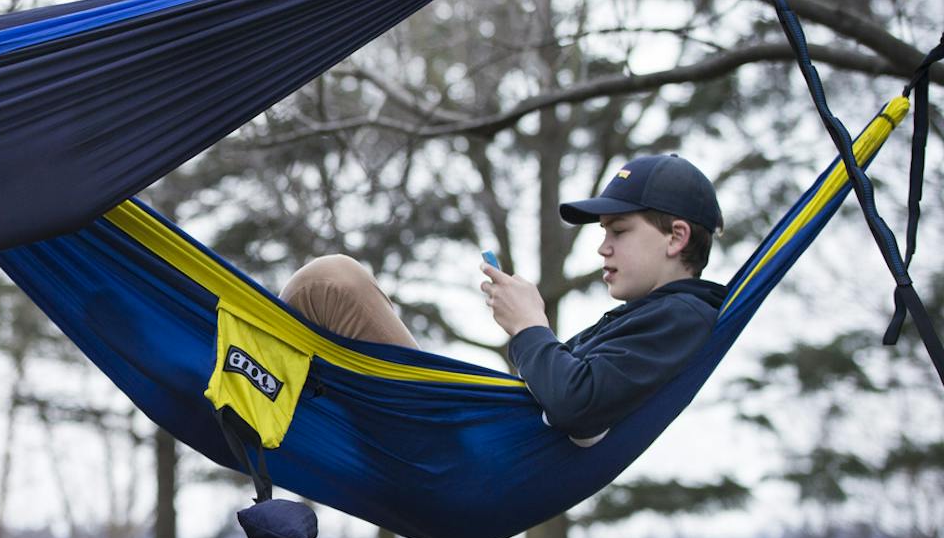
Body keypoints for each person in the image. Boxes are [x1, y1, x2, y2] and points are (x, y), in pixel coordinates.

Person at [283, 153, 725, 445]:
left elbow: (575, 404)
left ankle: (247, 399)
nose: (603, 246)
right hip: (473, 444)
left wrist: (530, 325)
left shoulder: (680, 316)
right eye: (603, 233)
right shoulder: (653, 317)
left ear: (676, 237)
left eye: (618, 230)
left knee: (331, 282)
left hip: (462, 461)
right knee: (327, 287)